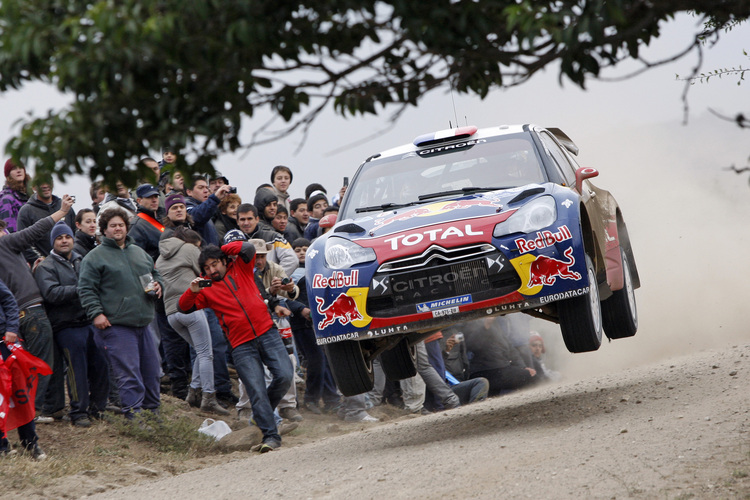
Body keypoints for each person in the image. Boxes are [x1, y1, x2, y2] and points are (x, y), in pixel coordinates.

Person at [179, 239, 294, 453]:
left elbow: (247, 248)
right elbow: (183, 308)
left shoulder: (241, 266)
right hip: (241, 345)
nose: (211, 270)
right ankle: (271, 436)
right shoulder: (205, 288)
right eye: (207, 267)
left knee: (285, 375)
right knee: (256, 390)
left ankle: (261, 415)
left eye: (215, 264)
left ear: (225, 261)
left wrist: (216, 248)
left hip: (267, 332)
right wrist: (192, 290)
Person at [78, 208, 163, 419]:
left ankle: (153, 414)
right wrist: (96, 313)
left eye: (121, 225)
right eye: (113, 225)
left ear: (127, 227)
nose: (118, 228)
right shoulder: (94, 257)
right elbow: (86, 289)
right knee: (129, 374)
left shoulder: (139, 252)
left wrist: (159, 284)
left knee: (152, 372)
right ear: (104, 230)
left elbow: (154, 273)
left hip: (144, 322)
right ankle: (133, 417)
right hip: (116, 326)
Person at [0, 195, 74, 419]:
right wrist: (61, 212)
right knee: (41, 363)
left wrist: (31, 271)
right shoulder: (4, 243)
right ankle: (32, 410)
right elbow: (35, 230)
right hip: (31, 312)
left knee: (27, 364)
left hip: (15, 316)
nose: (7, 234)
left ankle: (30, 408)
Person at [35, 221, 109, 427]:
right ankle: (79, 412)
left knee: (102, 363)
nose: (64, 240)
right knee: (77, 369)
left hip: (89, 322)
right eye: (59, 238)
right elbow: (51, 294)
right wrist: (80, 289)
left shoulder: (81, 260)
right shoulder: (46, 266)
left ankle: (99, 408)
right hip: (65, 326)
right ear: (53, 242)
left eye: (67, 237)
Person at [155, 227, 228, 415]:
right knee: (206, 353)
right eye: (199, 247)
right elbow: (204, 278)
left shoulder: (160, 258)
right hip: (190, 308)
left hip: (171, 314)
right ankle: (209, 398)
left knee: (199, 350)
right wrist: (219, 285)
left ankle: (193, 392)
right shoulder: (188, 249)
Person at [0, 278, 47, 459]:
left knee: (21, 393)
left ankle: (30, 442)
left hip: (6, 343)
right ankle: (2, 446)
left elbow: (9, 300)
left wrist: (12, 328)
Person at [17, 177, 77, 264]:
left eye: (48, 182)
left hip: (68, 265)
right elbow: (23, 243)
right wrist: (42, 261)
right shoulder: (26, 211)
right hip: (42, 268)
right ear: (34, 187)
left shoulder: (65, 207)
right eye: (41, 183)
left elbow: (75, 235)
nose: (45, 186)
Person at [236, 203, 298, 277]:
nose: (246, 223)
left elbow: (292, 260)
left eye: (250, 219)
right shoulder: (232, 241)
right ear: (237, 221)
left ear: (257, 219)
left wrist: (273, 279)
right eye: (242, 219)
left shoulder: (274, 237)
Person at [128, 183, 165, 262]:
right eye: (149, 197)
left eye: (155, 196)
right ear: (139, 201)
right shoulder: (137, 225)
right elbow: (135, 256)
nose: (154, 200)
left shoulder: (164, 217)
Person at [0, 159, 30, 233]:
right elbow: (10, 232)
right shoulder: (7, 200)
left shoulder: (32, 197)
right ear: (8, 175)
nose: (18, 170)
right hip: (20, 242)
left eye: (20, 167)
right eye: (14, 169)